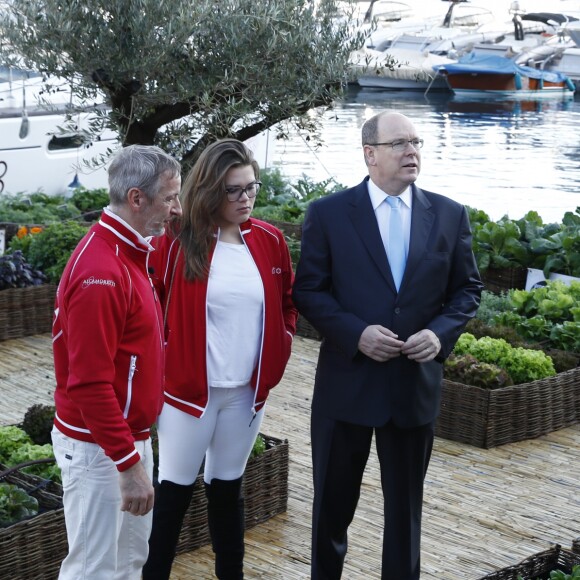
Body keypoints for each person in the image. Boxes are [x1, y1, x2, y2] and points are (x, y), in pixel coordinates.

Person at [292, 111, 483, 580]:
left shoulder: (449, 214)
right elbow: (308, 291)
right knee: (331, 512)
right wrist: (355, 333)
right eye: (399, 143)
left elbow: (467, 291)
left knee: (405, 517)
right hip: (347, 386)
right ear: (370, 154)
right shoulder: (329, 213)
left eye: (416, 141)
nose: (411, 150)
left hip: (412, 388)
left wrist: (439, 334)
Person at [143, 138, 298, 579]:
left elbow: (287, 301)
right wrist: (165, 359)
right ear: (210, 190)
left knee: (228, 491)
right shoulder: (174, 242)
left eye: (252, 187)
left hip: (246, 396)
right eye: (234, 190)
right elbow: (149, 306)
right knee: (173, 495)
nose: (246, 198)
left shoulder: (270, 240)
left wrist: (282, 342)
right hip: (189, 395)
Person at [51, 145, 183, 580]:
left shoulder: (129, 253)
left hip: (122, 441)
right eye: (169, 198)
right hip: (100, 450)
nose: (176, 210)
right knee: (93, 571)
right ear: (136, 198)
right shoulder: (101, 273)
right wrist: (127, 464)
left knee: (127, 565)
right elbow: (88, 383)